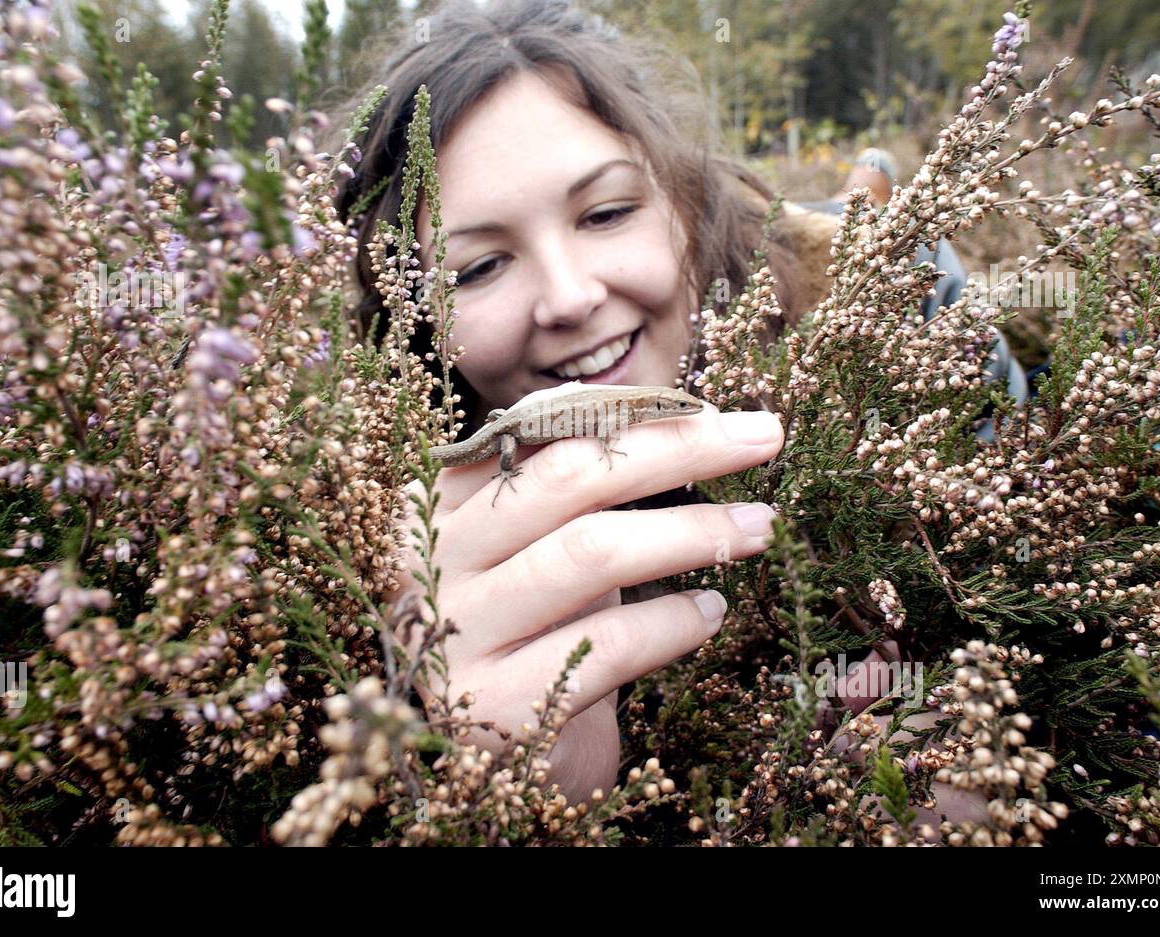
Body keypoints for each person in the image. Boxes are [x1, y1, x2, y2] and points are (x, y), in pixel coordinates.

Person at [336, 0, 999, 825]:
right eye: (476, 269)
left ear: (688, 197)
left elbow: (1013, 593)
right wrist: (527, 805)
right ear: (417, 318)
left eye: (607, 212)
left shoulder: (906, 297)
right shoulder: (374, 516)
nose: (572, 298)